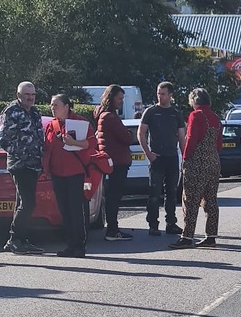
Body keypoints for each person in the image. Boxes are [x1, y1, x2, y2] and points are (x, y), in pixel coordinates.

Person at [170, 88, 222, 249]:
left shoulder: (196, 115)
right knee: (210, 200)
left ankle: (187, 236)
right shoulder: (215, 117)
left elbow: (191, 138)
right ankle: (211, 236)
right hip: (213, 162)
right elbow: (218, 144)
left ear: (194, 100)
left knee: (191, 199)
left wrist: (185, 158)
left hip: (197, 162)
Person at [43, 95, 93, 258]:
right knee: (64, 210)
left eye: (56, 105)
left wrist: (73, 143)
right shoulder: (51, 125)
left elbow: (90, 145)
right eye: (52, 105)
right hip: (57, 174)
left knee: (76, 210)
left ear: (66, 106)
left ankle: (79, 246)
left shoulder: (81, 122)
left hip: (75, 173)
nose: (52, 108)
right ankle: (70, 245)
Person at [0, 80, 45, 255]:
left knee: (22, 203)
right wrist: (24, 155)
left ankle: (20, 240)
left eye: (33, 95)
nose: (30, 98)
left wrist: (40, 158)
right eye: (27, 95)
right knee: (28, 203)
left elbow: (39, 137)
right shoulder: (11, 112)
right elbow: (4, 140)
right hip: (20, 165)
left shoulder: (35, 112)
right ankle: (15, 239)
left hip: (34, 165)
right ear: (18, 95)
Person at [139, 81, 183, 236]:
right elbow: (141, 133)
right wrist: (148, 154)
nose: (160, 96)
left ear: (170, 95)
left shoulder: (175, 113)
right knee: (154, 192)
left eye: (163, 93)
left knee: (172, 192)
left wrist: (184, 157)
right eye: (158, 93)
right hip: (156, 158)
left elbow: (181, 137)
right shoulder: (150, 112)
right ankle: (153, 224)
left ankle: (171, 223)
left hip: (172, 158)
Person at [95, 85, 133, 241]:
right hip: (117, 161)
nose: (121, 102)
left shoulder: (101, 115)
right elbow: (126, 138)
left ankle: (112, 228)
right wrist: (129, 134)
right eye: (119, 98)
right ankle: (112, 230)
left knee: (111, 196)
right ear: (112, 98)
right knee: (114, 197)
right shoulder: (110, 117)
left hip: (110, 160)